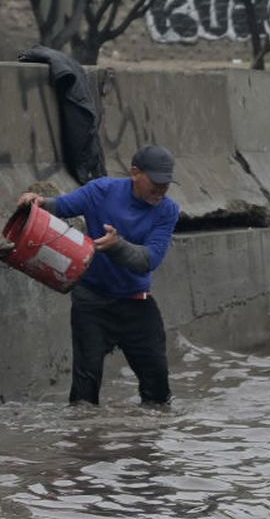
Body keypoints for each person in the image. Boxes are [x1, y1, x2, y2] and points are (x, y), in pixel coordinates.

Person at [17, 144, 181, 406]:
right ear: (135, 173)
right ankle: (86, 443)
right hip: (91, 302)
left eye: (166, 183)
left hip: (136, 303)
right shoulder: (101, 191)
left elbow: (148, 260)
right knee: (84, 395)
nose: (161, 190)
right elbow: (60, 207)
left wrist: (117, 246)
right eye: (156, 182)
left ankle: (151, 442)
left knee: (158, 393)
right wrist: (36, 202)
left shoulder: (168, 211)